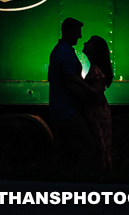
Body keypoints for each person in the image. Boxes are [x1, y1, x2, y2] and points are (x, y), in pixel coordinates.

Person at [46, 17, 96, 167]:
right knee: (89, 148)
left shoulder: (59, 50)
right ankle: (83, 183)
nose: (80, 36)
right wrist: (90, 96)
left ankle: (60, 183)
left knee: (63, 153)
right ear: (69, 32)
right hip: (67, 111)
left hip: (59, 110)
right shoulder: (66, 53)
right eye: (77, 32)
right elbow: (71, 81)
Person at [80, 35, 114, 172]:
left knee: (99, 141)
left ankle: (101, 172)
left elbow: (96, 92)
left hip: (96, 113)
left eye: (89, 42)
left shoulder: (95, 70)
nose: (85, 43)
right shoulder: (96, 68)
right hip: (98, 112)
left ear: (94, 49)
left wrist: (78, 82)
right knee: (101, 141)